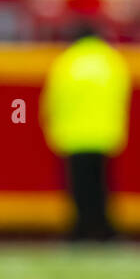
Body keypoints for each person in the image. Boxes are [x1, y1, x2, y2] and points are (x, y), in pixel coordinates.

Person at [40, 23, 131, 241]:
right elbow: (122, 96)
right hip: (104, 133)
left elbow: (53, 99)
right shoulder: (112, 60)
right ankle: (105, 230)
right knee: (102, 187)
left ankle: (80, 230)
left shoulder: (66, 61)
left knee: (78, 189)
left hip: (72, 135)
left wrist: (51, 127)